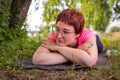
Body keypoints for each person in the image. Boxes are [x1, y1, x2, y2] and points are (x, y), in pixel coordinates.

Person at [32, 8, 103, 66]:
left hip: (95, 41)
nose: (59, 36)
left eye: (65, 32)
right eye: (57, 29)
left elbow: (90, 61)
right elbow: (37, 59)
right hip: (77, 48)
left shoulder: (88, 35)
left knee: (100, 48)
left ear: (78, 34)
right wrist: (77, 55)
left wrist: (56, 47)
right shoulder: (54, 35)